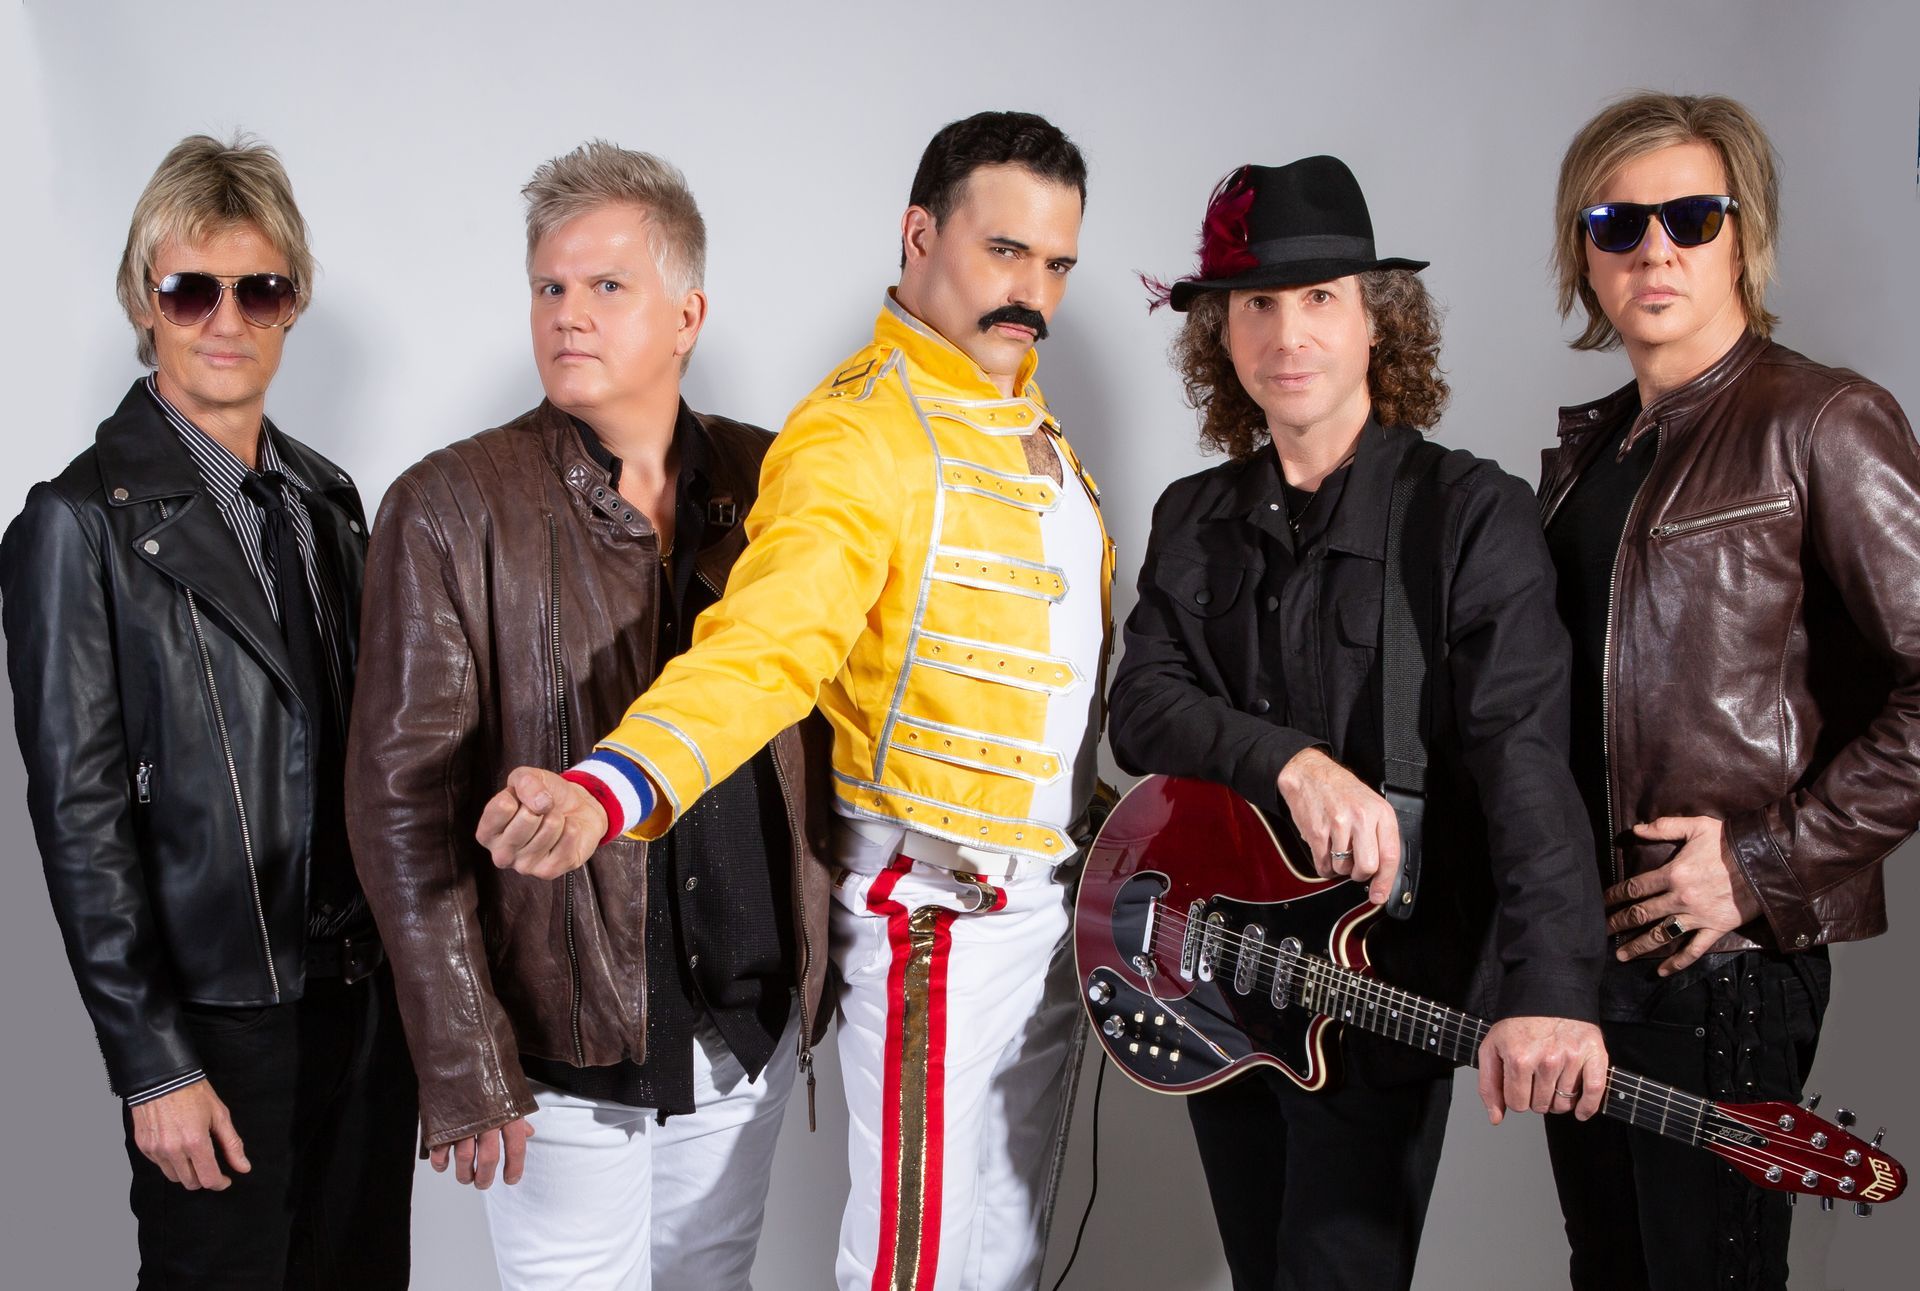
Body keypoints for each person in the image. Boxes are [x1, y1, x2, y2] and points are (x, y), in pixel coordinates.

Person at [477, 111, 1110, 1291]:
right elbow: (765, 647)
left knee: (1008, 1251)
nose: (1032, 291)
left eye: (1056, 263)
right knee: (912, 1267)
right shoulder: (858, 432)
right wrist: (617, 783)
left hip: (1050, 916)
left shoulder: (1042, 436)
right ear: (919, 234)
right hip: (936, 907)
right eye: (1004, 250)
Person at [1109, 155, 1608, 1291]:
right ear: (1223, 337)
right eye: (1258, 304)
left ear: (1379, 321)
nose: (1290, 333)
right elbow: (1140, 706)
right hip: (1219, 976)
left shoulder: (1470, 512)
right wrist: (1291, 764)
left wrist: (1550, 991)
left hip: (1380, 987)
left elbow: (1527, 760)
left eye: (1322, 298)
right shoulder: (1195, 515)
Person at [345, 141, 833, 1291]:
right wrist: (466, 1062)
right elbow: (398, 808)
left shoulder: (780, 484)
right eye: (549, 287)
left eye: (608, 285)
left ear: (687, 313)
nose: (569, 313)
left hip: (743, 1029)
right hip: (562, 1056)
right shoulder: (450, 505)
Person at [0, 133, 413, 1289]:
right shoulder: (74, 527)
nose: (225, 319)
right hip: (216, 1025)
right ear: (145, 302)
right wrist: (150, 1064)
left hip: (361, 1011)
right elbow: (79, 823)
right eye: (191, 290)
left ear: (295, 304)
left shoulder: (330, 499)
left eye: (259, 289)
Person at [1537, 91, 1920, 1291]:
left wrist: (1757, 866)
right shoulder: (1596, 452)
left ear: (1743, 236)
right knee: (1610, 1269)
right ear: (1583, 250)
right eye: (1619, 221)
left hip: (1727, 961)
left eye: (1693, 217)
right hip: (1589, 957)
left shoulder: (1822, 419)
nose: (1656, 248)